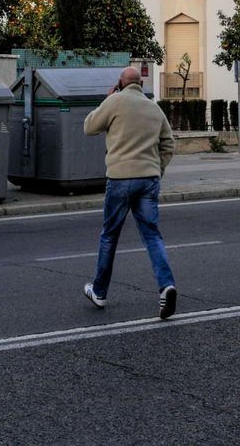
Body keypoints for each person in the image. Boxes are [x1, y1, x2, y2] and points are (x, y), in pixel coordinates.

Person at [81, 65, 177, 319]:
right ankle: (166, 286)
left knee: (109, 236)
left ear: (120, 83)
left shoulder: (115, 101)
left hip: (120, 179)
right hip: (148, 179)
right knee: (152, 235)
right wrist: (157, 168)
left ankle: (99, 292)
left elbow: (89, 126)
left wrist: (107, 100)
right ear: (141, 85)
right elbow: (169, 143)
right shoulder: (153, 108)